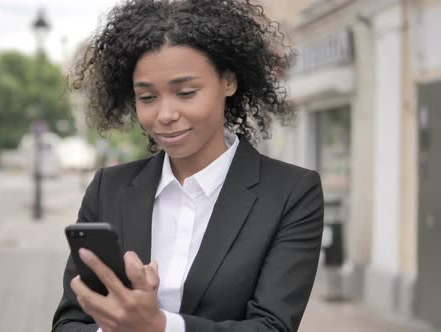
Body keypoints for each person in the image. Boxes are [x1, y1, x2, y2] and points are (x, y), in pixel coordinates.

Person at [53, 0, 324, 331]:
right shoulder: (108, 189)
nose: (165, 115)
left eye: (185, 92)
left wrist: (160, 326)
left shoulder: (290, 194)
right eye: (148, 98)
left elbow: (272, 326)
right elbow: (69, 322)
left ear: (228, 81)